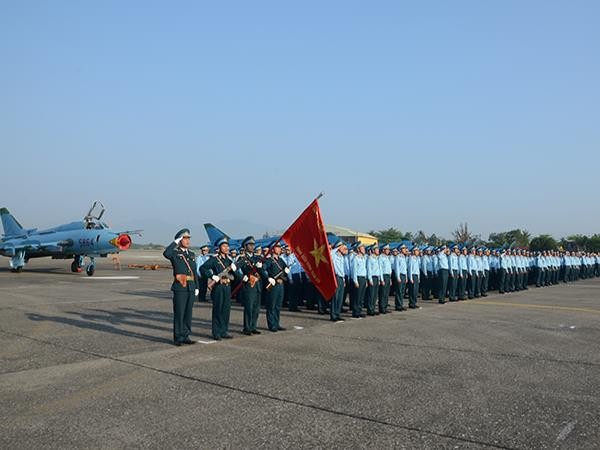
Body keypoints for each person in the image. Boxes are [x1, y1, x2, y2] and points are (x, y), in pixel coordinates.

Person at [163, 229, 198, 346]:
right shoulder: (174, 253)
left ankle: (186, 335)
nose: (187, 241)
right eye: (185, 238)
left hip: (191, 287)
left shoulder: (192, 254)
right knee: (180, 313)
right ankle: (178, 337)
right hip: (180, 287)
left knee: (188, 313)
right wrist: (175, 242)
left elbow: (194, 272)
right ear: (179, 239)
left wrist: (197, 287)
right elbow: (166, 253)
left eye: (189, 238)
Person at [199, 237, 239, 340]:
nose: (226, 248)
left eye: (227, 246)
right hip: (218, 287)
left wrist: (235, 270)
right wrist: (212, 276)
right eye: (224, 246)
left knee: (226, 310)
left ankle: (224, 330)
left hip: (227, 287)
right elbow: (202, 268)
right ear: (219, 247)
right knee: (218, 309)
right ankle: (216, 332)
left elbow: (235, 275)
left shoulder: (229, 260)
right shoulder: (214, 259)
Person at [236, 236, 263, 335]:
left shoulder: (257, 258)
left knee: (256, 308)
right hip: (249, 286)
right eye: (250, 245)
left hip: (257, 285)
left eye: (253, 245)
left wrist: (261, 267)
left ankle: (253, 326)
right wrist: (241, 277)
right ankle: (247, 327)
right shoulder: (243, 258)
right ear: (245, 246)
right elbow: (235, 268)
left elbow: (263, 270)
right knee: (249, 307)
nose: (252, 247)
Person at [262, 241, 289, 332]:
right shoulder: (269, 260)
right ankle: (271, 324)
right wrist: (268, 278)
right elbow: (263, 269)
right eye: (278, 247)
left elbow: (285, 269)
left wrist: (286, 270)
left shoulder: (281, 260)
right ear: (273, 249)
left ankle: (277, 323)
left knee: (278, 305)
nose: (280, 249)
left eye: (280, 247)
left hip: (281, 285)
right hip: (273, 285)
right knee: (271, 306)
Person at [330, 240, 348, 321]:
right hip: (336, 277)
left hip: (341, 278)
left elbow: (342, 270)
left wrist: (344, 280)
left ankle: (338, 314)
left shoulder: (342, 257)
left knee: (340, 297)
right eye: (342, 247)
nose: (344, 248)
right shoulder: (333, 255)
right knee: (335, 297)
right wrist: (337, 247)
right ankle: (333, 315)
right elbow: (330, 252)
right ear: (338, 247)